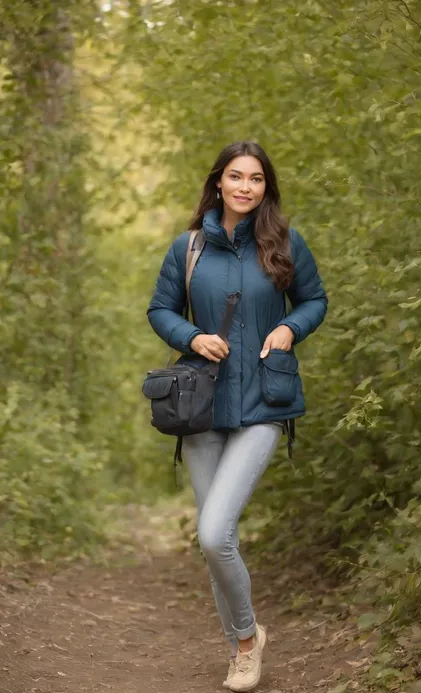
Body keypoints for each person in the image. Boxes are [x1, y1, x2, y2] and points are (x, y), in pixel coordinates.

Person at [147, 141, 328, 692]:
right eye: (236, 177)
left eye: (256, 179)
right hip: (201, 408)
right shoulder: (189, 248)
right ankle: (242, 647)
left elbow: (314, 300)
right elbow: (160, 310)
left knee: (212, 533)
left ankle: (246, 644)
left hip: (263, 407)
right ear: (219, 182)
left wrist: (289, 328)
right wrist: (193, 335)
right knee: (216, 540)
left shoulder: (285, 242)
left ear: (265, 187)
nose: (246, 187)